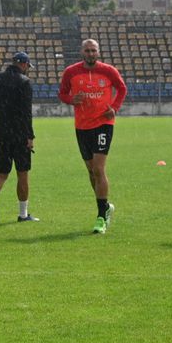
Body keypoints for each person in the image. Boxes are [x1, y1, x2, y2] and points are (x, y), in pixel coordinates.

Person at [58, 38, 127, 234]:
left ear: (98, 52)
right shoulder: (71, 72)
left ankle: (100, 217)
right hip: (82, 127)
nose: (90, 54)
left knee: (98, 169)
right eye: (87, 51)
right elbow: (62, 94)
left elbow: (122, 89)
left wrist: (114, 107)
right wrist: (72, 99)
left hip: (103, 124)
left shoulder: (108, 71)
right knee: (91, 171)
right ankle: (105, 206)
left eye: (93, 50)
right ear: (82, 52)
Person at [0, 51, 37, 223]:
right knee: (22, 174)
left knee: (1, 174)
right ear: (23, 64)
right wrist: (30, 136)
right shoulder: (24, 82)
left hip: (1, 134)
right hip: (20, 135)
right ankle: (23, 214)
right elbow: (26, 113)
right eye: (28, 66)